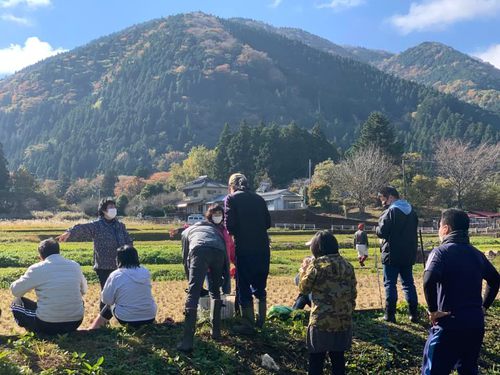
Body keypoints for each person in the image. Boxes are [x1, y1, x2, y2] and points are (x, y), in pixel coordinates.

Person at [421, 209, 499, 375]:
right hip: (474, 323)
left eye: (439, 227)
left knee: (433, 370)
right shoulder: (477, 254)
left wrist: (433, 310)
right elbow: (495, 279)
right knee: (468, 369)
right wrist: (484, 307)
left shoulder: (440, 252)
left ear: (446, 229)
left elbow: (428, 279)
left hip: (448, 322)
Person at [58, 197, 132, 311]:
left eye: (114, 207)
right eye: (110, 207)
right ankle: (103, 322)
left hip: (121, 266)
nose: (113, 209)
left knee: (122, 293)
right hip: (104, 266)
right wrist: (70, 232)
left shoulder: (120, 225)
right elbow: (82, 228)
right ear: (103, 210)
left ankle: (122, 316)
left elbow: (128, 241)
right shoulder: (97, 225)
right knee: (106, 295)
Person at [299, 230, 357, 375]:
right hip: (343, 322)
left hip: (321, 322)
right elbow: (353, 293)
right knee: (338, 360)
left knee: (316, 361)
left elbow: (304, 289)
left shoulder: (317, 266)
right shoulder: (348, 265)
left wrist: (303, 270)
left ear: (317, 248)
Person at [178, 205, 231, 352]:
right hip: (219, 252)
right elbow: (225, 249)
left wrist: (191, 279)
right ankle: (216, 333)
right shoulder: (215, 230)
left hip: (200, 251)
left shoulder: (187, 231)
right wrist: (225, 278)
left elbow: (185, 258)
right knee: (215, 290)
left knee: (193, 293)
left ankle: (187, 341)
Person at [225, 173, 271, 334]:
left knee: (243, 285)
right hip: (263, 248)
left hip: (244, 248)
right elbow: (268, 223)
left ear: (232, 186)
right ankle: (261, 321)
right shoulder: (259, 199)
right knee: (260, 286)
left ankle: (248, 324)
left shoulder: (232, 199)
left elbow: (229, 226)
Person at [10, 238, 87, 334]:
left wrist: (25, 276)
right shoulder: (75, 266)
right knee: (79, 300)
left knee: (16, 302)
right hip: (75, 323)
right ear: (58, 251)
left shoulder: (37, 268)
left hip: (47, 325)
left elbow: (15, 291)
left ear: (40, 255)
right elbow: (84, 290)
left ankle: (33, 331)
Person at [376, 186, 419, 323]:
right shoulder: (411, 211)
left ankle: (390, 315)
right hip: (409, 253)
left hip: (392, 253)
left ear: (390, 196)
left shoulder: (391, 211)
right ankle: (414, 314)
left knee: (390, 284)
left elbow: (381, 232)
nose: (383, 202)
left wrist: (377, 227)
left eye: (383, 199)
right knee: (408, 284)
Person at [89, 245, 157, 329]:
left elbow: (106, 299)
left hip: (127, 319)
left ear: (118, 259)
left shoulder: (116, 275)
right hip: (150, 316)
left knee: (109, 305)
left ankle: (94, 328)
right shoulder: (145, 271)